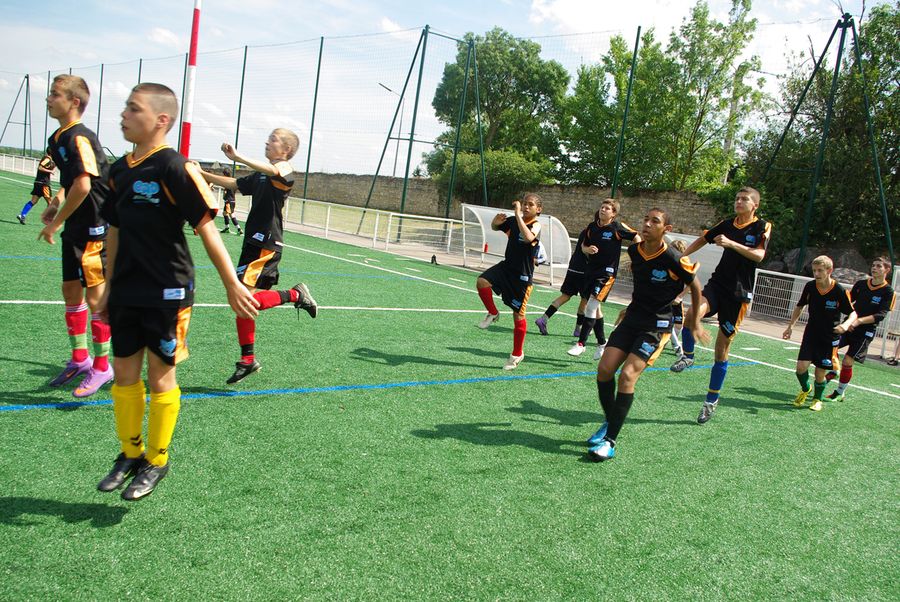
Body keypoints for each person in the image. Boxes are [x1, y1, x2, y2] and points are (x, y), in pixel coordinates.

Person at [95, 83, 259, 500]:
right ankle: (129, 454)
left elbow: (206, 227)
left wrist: (232, 284)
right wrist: (108, 283)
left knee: (159, 375)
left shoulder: (174, 167)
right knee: (125, 374)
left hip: (168, 291)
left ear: (161, 120)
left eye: (133, 109)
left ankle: (157, 459)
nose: (124, 115)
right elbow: (113, 229)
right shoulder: (119, 171)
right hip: (127, 290)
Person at [586, 208, 708, 461]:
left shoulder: (674, 257)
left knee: (628, 375)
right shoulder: (634, 252)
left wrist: (695, 322)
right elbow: (643, 288)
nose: (648, 224)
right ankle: (611, 422)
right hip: (633, 319)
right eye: (646, 219)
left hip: (657, 324)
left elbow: (696, 286)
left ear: (666, 229)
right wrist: (628, 308)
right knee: (604, 369)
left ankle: (610, 441)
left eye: (655, 221)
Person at [199, 129, 318, 384]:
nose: (267, 141)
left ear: (285, 149)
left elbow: (275, 171)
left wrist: (238, 156)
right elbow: (233, 184)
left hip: (267, 242)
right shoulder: (262, 175)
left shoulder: (284, 171)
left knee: (242, 299)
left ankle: (295, 296)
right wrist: (198, 174)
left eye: (273, 139)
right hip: (252, 242)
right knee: (243, 303)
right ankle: (247, 360)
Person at [38, 75, 114, 398]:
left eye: (54, 95)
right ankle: (80, 359)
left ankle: (102, 367)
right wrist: (56, 203)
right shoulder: (58, 138)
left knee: (96, 299)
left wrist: (54, 225)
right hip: (76, 227)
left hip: (96, 227)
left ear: (74, 103)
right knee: (71, 290)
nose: (48, 99)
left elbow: (85, 186)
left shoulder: (80, 137)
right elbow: (72, 181)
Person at [669, 187, 772, 424]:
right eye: (737, 198)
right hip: (718, 284)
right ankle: (689, 356)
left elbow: (758, 255)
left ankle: (711, 400)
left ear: (754, 205)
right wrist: (682, 258)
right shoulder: (726, 223)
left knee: (721, 350)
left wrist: (731, 244)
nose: (739, 201)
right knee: (692, 313)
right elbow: (702, 239)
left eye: (744, 199)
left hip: (739, 295)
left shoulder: (761, 226)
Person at [475, 193, 542, 370]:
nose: (526, 207)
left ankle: (517, 354)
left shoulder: (535, 225)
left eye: (530, 205)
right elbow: (496, 227)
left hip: (522, 277)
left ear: (538, 210)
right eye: (524, 204)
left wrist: (519, 215)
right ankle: (493, 313)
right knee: (482, 281)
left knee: (518, 315)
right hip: (506, 268)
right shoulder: (513, 221)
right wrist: (496, 222)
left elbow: (528, 237)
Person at [567, 199, 639, 360]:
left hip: (606, 274)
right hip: (591, 271)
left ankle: (581, 344)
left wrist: (637, 256)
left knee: (591, 305)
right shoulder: (592, 227)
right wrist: (588, 249)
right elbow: (583, 247)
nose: (603, 210)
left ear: (613, 213)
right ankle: (602, 343)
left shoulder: (617, 227)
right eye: (602, 207)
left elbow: (636, 237)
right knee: (596, 309)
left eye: (607, 208)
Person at [782, 256, 857, 412]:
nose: (816, 273)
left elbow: (853, 314)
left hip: (829, 337)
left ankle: (817, 399)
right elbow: (800, 306)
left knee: (819, 372)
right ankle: (806, 389)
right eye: (814, 270)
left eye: (820, 270)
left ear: (829, 271)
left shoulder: (839, 290)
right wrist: (790, 327)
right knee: (800, 368)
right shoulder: (810, 286)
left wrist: (845, 325)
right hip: (811, 333)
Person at [824, 257, 895, 400]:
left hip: (865, 332)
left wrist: (858, 321)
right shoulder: (861, 284)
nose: (874, 268)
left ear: (886, 270)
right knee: (828, 348)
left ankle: (840, 391)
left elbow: (881, 315)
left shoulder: (888, 292)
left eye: (879, 266)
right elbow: (848, 302)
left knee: (848, 361)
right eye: (873, 265)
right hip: (849, 325)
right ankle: (835, 370)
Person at [534, 228, 589, 338]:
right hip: (584, 270)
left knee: (566, 296)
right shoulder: (596, 232)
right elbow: (587, 251)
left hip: (573, 267)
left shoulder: (585, 230)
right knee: (585, 300)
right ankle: (578, 329)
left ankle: (543, 319)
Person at [17, 154, 55, 224]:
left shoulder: (51, 160)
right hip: (43, 184)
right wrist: (50, 171)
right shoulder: (47, 159)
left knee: (33, 201)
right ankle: (47, 219)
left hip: (39, 183)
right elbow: (40, 167)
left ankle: (22, 215)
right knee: (50, 203)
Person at [668, 239, 688, 358]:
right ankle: (677, 346)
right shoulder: (666, 263)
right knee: (667, 322)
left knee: (679, 324)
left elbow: (691, 285)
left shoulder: (683, 265)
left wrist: (680, 297)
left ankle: (669, 340)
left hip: (676, 299)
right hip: (665, 298)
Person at [219, 166, 242, 235]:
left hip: (228, 200)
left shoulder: (226, 181)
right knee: (225, 213)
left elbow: (225, 191)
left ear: (225, 174)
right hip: (233, 200)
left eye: (223, 174)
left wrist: (224, 196)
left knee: (231, 214)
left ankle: (239, 229)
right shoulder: (233, 180)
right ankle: (227, 228)